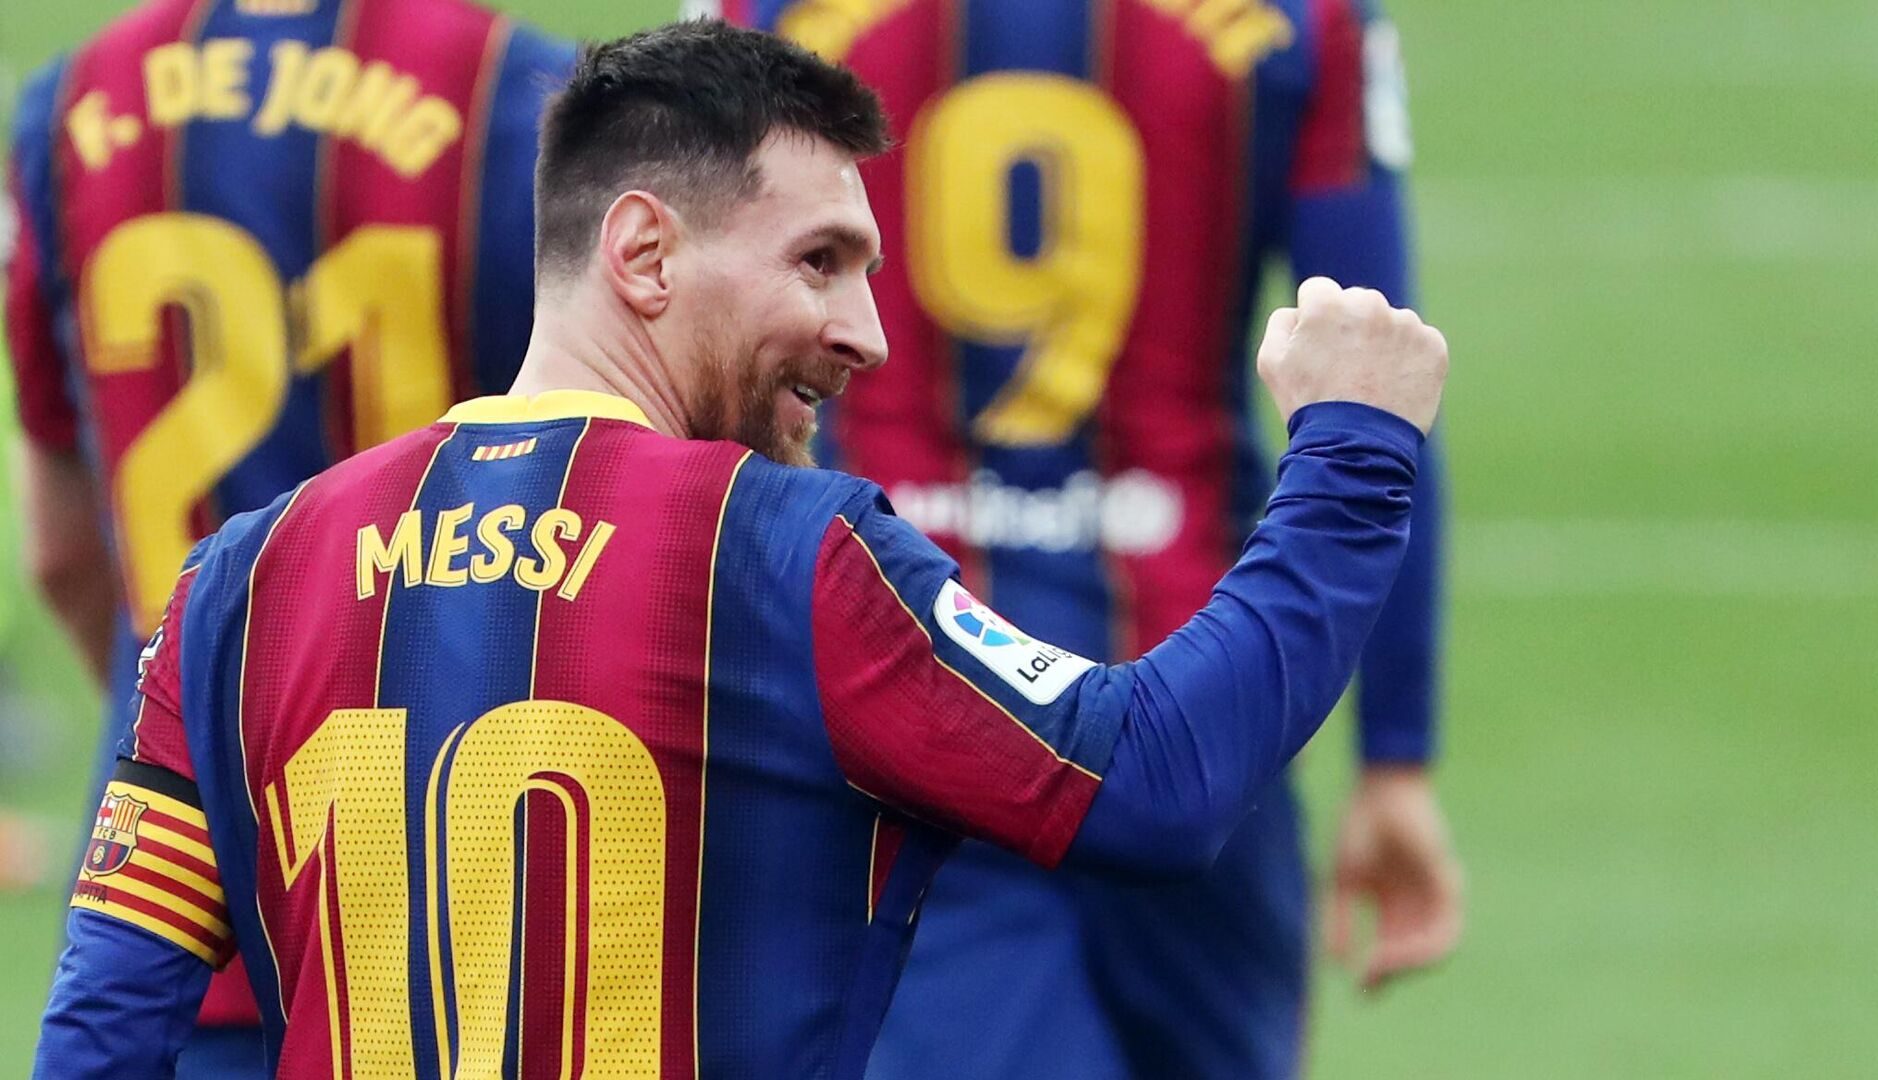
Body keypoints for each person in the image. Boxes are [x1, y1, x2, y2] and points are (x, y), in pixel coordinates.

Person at [32, 20, 1448, 1078]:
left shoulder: (233, 589)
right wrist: (1349, 454)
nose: (866, 334)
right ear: (643, 254)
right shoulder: (782, 559)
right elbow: (1155, 780)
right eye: (819, 263)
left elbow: (101, 1034)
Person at [701, 1, 1463, 1074]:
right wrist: (1396, 756)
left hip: (906, 694)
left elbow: (693, 343)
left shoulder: (763, 14)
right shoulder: (1309, 18)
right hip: (1209, 702)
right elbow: (1379, 361)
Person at [4, 0, 573, 1071]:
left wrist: (186, 720)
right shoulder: (516, 87)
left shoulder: (73, 102)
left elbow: (62, 553)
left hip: (173, 904)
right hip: (472, 888)